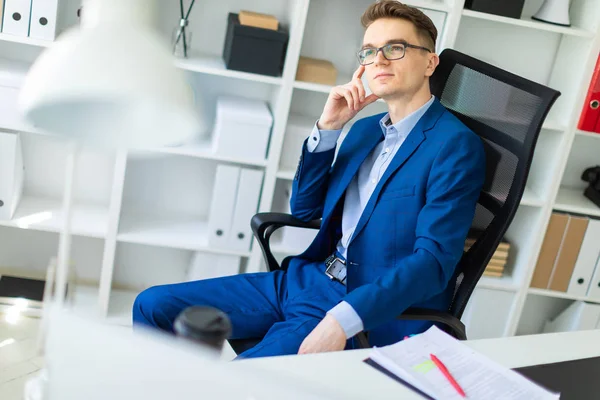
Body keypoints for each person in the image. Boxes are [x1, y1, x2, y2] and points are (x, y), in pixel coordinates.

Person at [132, 0, 486, 358]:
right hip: (306, 279)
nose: (378, 60)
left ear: (430, 61)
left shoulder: (454, 146)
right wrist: (329, 129)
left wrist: (342, 320)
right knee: (152, 306)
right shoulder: (364, 130)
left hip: (359, 302)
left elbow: (433, 263)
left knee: (237, 379)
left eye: (395, 48)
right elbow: (304, 207)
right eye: (369, 51)